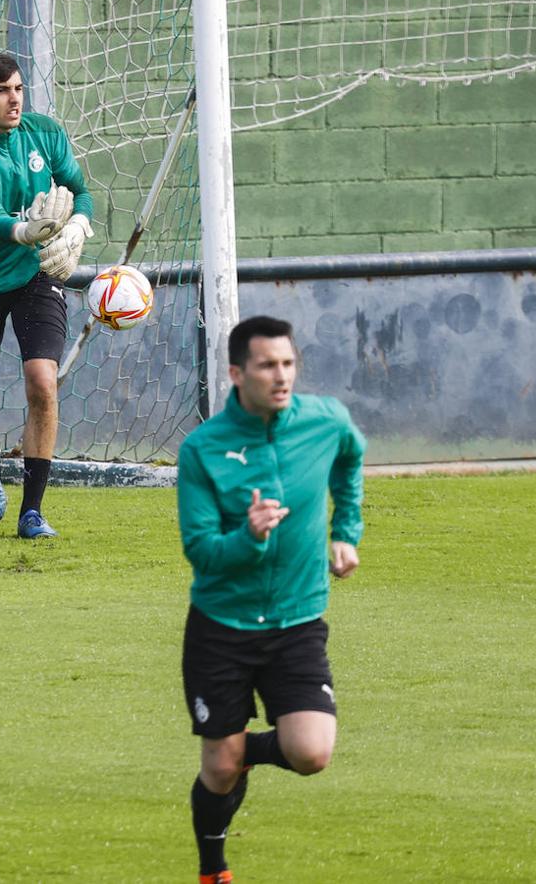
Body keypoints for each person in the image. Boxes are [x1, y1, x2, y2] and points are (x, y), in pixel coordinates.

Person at [176, 315, 365, 883]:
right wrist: (250, 538)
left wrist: (346, 531)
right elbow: (202, 551)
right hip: (221, 627)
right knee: (219, 770)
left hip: (297, 621)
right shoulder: (203, 451)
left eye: (288, 364)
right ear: (237, 373)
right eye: (266, 365)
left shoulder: (325, 421)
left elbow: (352, 462)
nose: (281, 376)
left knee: (310, 753)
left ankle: (242, 749)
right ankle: (213, 870)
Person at [0, 52, 95, 539]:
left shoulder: (45, 133)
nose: (14, 99)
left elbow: (80, 190)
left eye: (19, 89)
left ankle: (32, 512)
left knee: (42, 382)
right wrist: (26, 229)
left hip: (37, 274)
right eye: (2, 90)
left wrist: (78, 227)